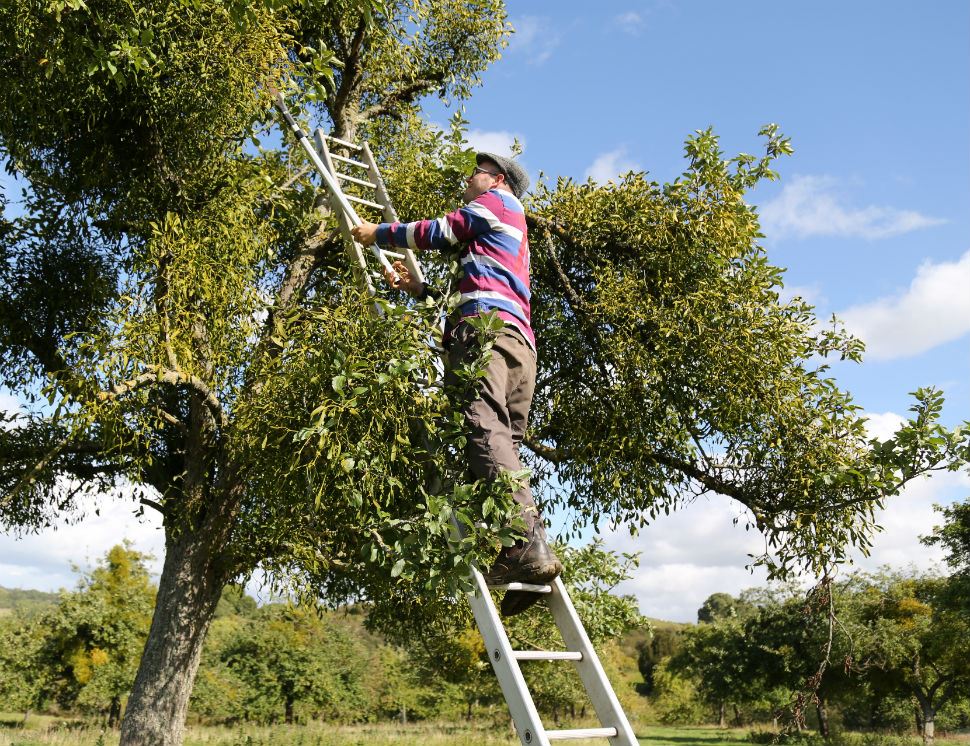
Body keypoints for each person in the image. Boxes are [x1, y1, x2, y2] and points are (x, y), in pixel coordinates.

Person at [351, 153, 561, 616]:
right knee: (501, 449)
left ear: (497, 179)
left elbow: (440, 231)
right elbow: (480, 284)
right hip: (517, 343)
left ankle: (527, 548)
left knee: (483, 431)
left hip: (487, 333)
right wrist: (420, 292)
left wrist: (376, 234)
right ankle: (521, 553)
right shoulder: (506, 236)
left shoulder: (498, 203)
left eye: (477, 172)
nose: (470, 179)